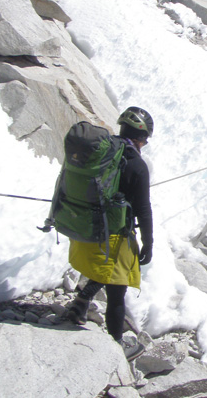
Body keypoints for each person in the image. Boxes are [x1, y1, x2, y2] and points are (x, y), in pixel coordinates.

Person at [65, 106, 154, 361]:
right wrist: (148, 242)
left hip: (84, 229)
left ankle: (81, 303)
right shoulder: (137, 165)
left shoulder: (102, 151)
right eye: (145, 139)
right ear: (141, 137)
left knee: (104, 267)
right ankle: (116, 348)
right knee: (117, 290)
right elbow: (143, 209)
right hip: (112, 236)